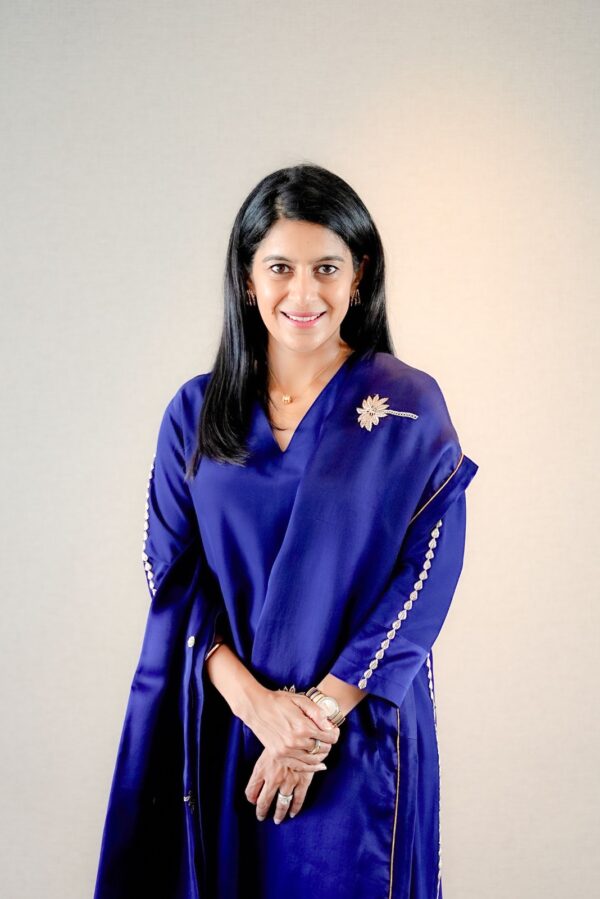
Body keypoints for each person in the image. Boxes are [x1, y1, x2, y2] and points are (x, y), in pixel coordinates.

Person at [94, 162, 479, 899]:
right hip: (229, 722)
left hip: (355, 728)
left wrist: (313, 723)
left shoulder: (406, 405)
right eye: (280, 268)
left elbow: (426, 576)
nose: (303, 294)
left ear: (359, 276)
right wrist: (258, 708)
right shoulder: (196, 412)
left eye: (326, 267)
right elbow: (170, 573)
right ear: (247, 279)